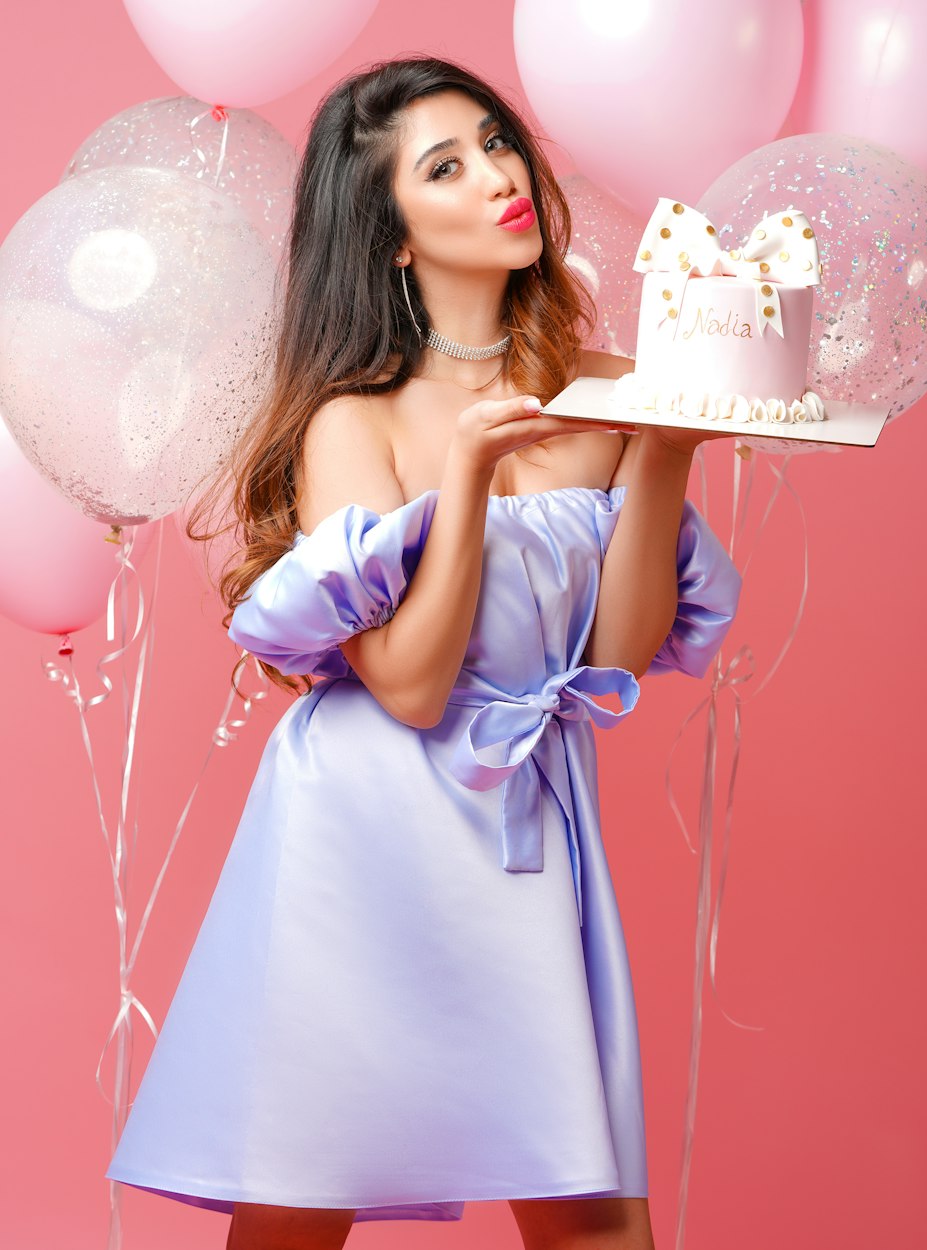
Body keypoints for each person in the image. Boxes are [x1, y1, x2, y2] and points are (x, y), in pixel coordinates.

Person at [105, 56, 742, 1250]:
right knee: (297, 1199)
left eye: (495, 141)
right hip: (363, 832)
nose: (499, 175)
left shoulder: (605, 390)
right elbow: (403, 684)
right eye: (444, 167)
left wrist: (664, 451)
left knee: (591, 1206)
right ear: (395, 238)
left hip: (528, 822)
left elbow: (621, 648)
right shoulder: (358, 417)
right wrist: (471, 467)